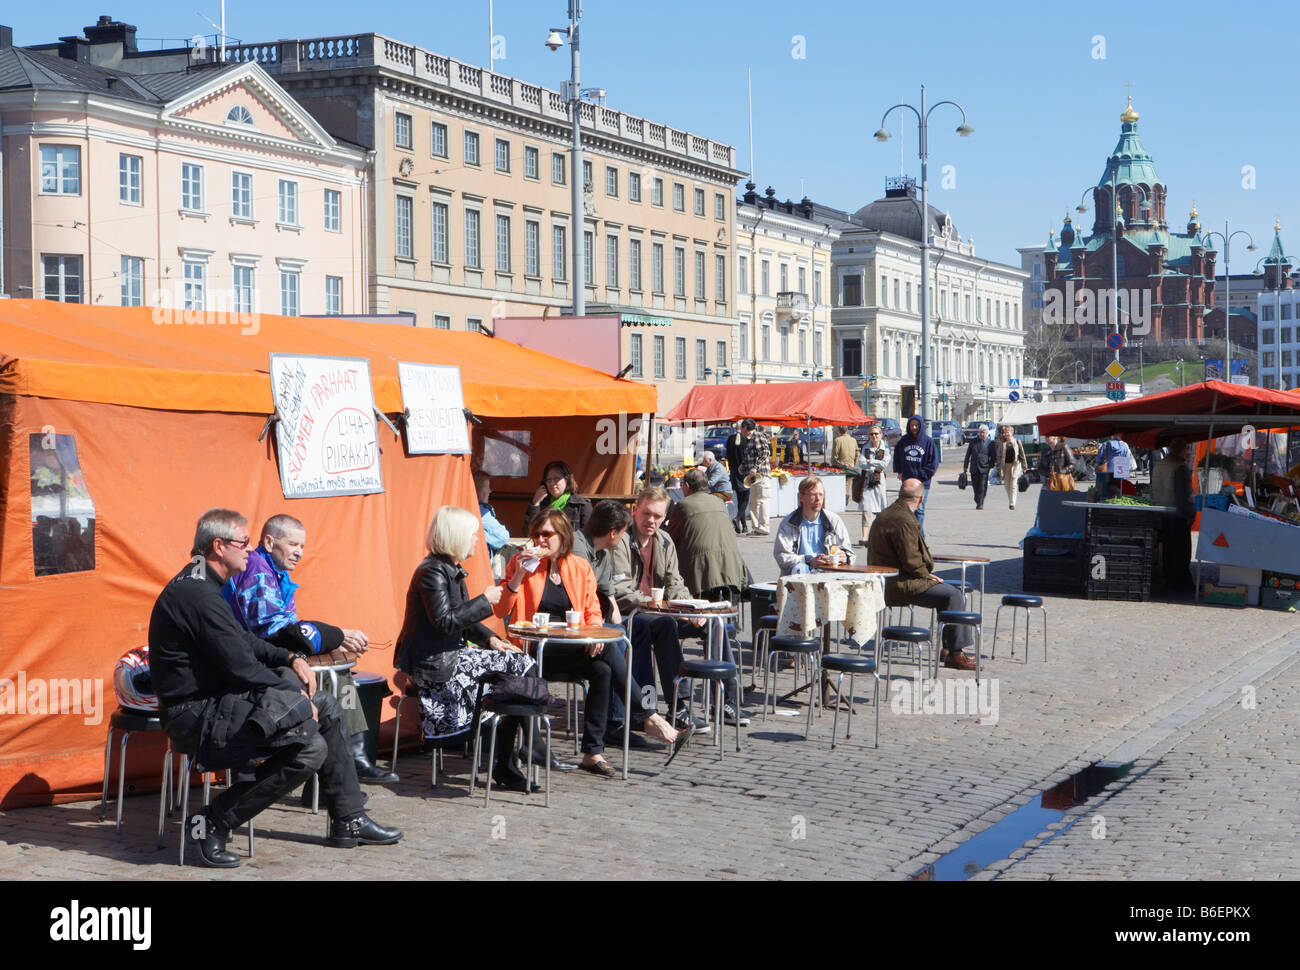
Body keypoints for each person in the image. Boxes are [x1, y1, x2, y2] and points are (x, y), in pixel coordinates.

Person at [149, 508, 401, 868]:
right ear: (218, 547)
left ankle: (350, 819)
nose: (250, 551)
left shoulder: (204, 584)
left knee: (327, 707)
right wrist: (295, 698)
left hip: (217, 705)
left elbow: (245, 642)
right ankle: (210, 823)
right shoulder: (197, 595)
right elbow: (241, 666)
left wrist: (288, 657)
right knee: (309, 747)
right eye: (244, 543)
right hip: (195, 717)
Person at [496, 508, 681, 776]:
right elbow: (501, 610)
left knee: (602, 668)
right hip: (533, 649)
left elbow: (594, 610)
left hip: (569, 646)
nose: (540, 541)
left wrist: (593, 631)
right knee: (607, 654)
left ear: (562, 536)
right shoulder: (520, 564)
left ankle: (593, 752)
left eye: (546, 534)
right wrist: (518, 576)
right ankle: (648, 716)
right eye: (535, 535)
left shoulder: (579, 567)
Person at [224, 514, 398, 786]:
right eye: (293, 544)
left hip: (268, 658)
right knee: (333, 679)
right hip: (249, 668)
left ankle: (343, 767)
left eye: (303, 546)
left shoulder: (277, 572)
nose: (299, 553)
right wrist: (335, 636)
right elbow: (276, 631)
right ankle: (345, 766)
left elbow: (292, 631)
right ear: (269, 542)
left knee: (339, 670)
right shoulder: (257, 569)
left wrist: (332, 641)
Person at [394, 506, 552, 792]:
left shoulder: (451, 569)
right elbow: (444, 622)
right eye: (472, 535)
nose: (476, 541)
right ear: (455, 537)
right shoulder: (431, 573)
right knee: (516, 673)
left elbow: (461, 621)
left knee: (520, 663)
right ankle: (517, 754)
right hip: (434, 665)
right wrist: (485, 600)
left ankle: (518, 754)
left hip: (450, 656)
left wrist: (491, 640)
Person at [612, 487, 750, 726]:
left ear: (665, 517)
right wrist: (655, 604)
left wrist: (692, 607)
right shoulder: (622, 540)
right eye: (646, 514)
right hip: (633, 614)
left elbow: (675, 583)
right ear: (635, 511)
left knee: (714, 624)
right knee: (664, 624)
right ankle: (679, 705)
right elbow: (621, 590)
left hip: (663, 612)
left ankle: (726, 702)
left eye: (658, 516)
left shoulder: (664, 541)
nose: (651, 521)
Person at [866, 481, 978, 670]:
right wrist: (926, 575)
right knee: (953, 595)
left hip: (885, 580)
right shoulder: (904, 520)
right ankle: (955, 653)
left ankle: (948, 647)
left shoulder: (886, 514)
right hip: (898, 584)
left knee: (947, 593)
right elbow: (911, 560)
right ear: (921, 499)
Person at [665, 467, 747, 601]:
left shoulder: (683, 505)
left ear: (686, 486)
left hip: (700, 573)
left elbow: (670, 538)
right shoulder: (720, 503)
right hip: (732, 568)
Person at [774, 475, 856, 576]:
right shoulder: (788, 523)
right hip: (800, 571)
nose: (818, 499)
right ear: (801, 497)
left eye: (821, 495)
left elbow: (849, 553)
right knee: (800, 569)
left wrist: (844, 556)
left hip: (828, 569)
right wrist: (809, 560)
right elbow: (782, 556)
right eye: (813, 495)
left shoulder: (834, 520)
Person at [1152, 440, 1195, 594]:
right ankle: (1180, 581)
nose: (1188, 452)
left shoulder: (1159, 465)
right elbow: (1182, 496)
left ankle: (1169, 578)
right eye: (1187, 449)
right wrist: (1190, 514)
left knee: (1168, 550)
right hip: (1177, 514)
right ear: (1180, 450)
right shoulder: (1180, 468)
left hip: (1161, 512)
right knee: (1181, 551)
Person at [893, 414, 939, 534]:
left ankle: (918, 537)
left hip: (922, 483)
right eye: (912, 425)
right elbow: (897, 456)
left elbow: (933, 464)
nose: (914, 427)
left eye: (916, 425)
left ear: (921, 426)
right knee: (906, 509)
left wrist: (921, 476)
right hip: (907, 482)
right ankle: (909, 535)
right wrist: (899, 470)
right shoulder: (904, 441)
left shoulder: (928, 442)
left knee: (919, 509)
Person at [524, 460, 592, 535]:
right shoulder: (542, 503)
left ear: (566, 480)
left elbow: (588, 537)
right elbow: (528, 533)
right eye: (548, 480)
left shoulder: (582, 505)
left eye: (556, 479)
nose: (552, 483)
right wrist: (535, 504)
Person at [855, 425, 890, 543]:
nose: (874, 436)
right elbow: (861, 463)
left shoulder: (886, 448)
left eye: (876, 433)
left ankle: (880, 536)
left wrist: (870, 461)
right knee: (866, 508)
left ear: (881, 435)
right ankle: (864, 538)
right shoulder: (865, 448)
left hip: (879, 483)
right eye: (871, 434)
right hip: (867, 482)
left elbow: (884, 464)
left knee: (880, 509)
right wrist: (874, 464)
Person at [739, 420, 773, 536]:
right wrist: (742, 466)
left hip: (762, 475)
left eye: (741, 428)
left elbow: (765, 452)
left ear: (745, 428)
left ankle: (764, 527)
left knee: (763, 499)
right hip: (753, 477)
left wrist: (755, 466)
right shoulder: (748, 440)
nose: (740, 431)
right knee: (753, 502)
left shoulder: (758, 435)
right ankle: (756, 527)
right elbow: (749, 456)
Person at [474, 470, 510, 556]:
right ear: (477, 489)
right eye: (487, 487)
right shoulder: (482, 512)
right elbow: (502, 537)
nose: (490, 491)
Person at [962, 425, 996, 510]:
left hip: (984, 468)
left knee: (983, 485)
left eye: (983, 432)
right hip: (974, 467)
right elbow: (968, 455)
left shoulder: (990, 443)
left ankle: (980, 503)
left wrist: (990, 465)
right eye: (980, 432)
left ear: (986, 433)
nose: (981, 434)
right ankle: (977, 498)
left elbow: (993, 456)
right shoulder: (973, 442)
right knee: (975, 485)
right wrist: (965, 466)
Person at [995, 425, 1028, 510]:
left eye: (1008, 432)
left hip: (1015, 465)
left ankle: (1012, 503)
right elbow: (998, 456)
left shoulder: (1017, 441)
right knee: (1006, 485)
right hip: (1005, 466)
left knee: (1013, 484)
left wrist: (1024, 466)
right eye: (1005, 432)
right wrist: (998, 466)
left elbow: (1022, 454)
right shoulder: (1002, 443)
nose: (1006, 434)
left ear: (1011, 433)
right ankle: (1011, 499)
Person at [1095, 431, 1133, 500]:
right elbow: (1127, 459)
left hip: (1107, 472)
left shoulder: (1105, 444)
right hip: (1121, 472)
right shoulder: (1125, 445)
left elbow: (1098, 460)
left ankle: (1104, 502)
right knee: (1120, 488)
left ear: (1111, 436)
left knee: (1105, 491)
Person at [832, 426, 860, 503]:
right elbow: (857, 453)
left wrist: (833, 464)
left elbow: (834, 455)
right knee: (847, 483)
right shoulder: (853, 440)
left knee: (841, 483)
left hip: (841, 466)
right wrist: (853, 463)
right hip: (850, 465)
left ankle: (844, 497)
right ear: (847, 430)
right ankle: (846, 495)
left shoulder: (837, 440)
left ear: (839, 431)